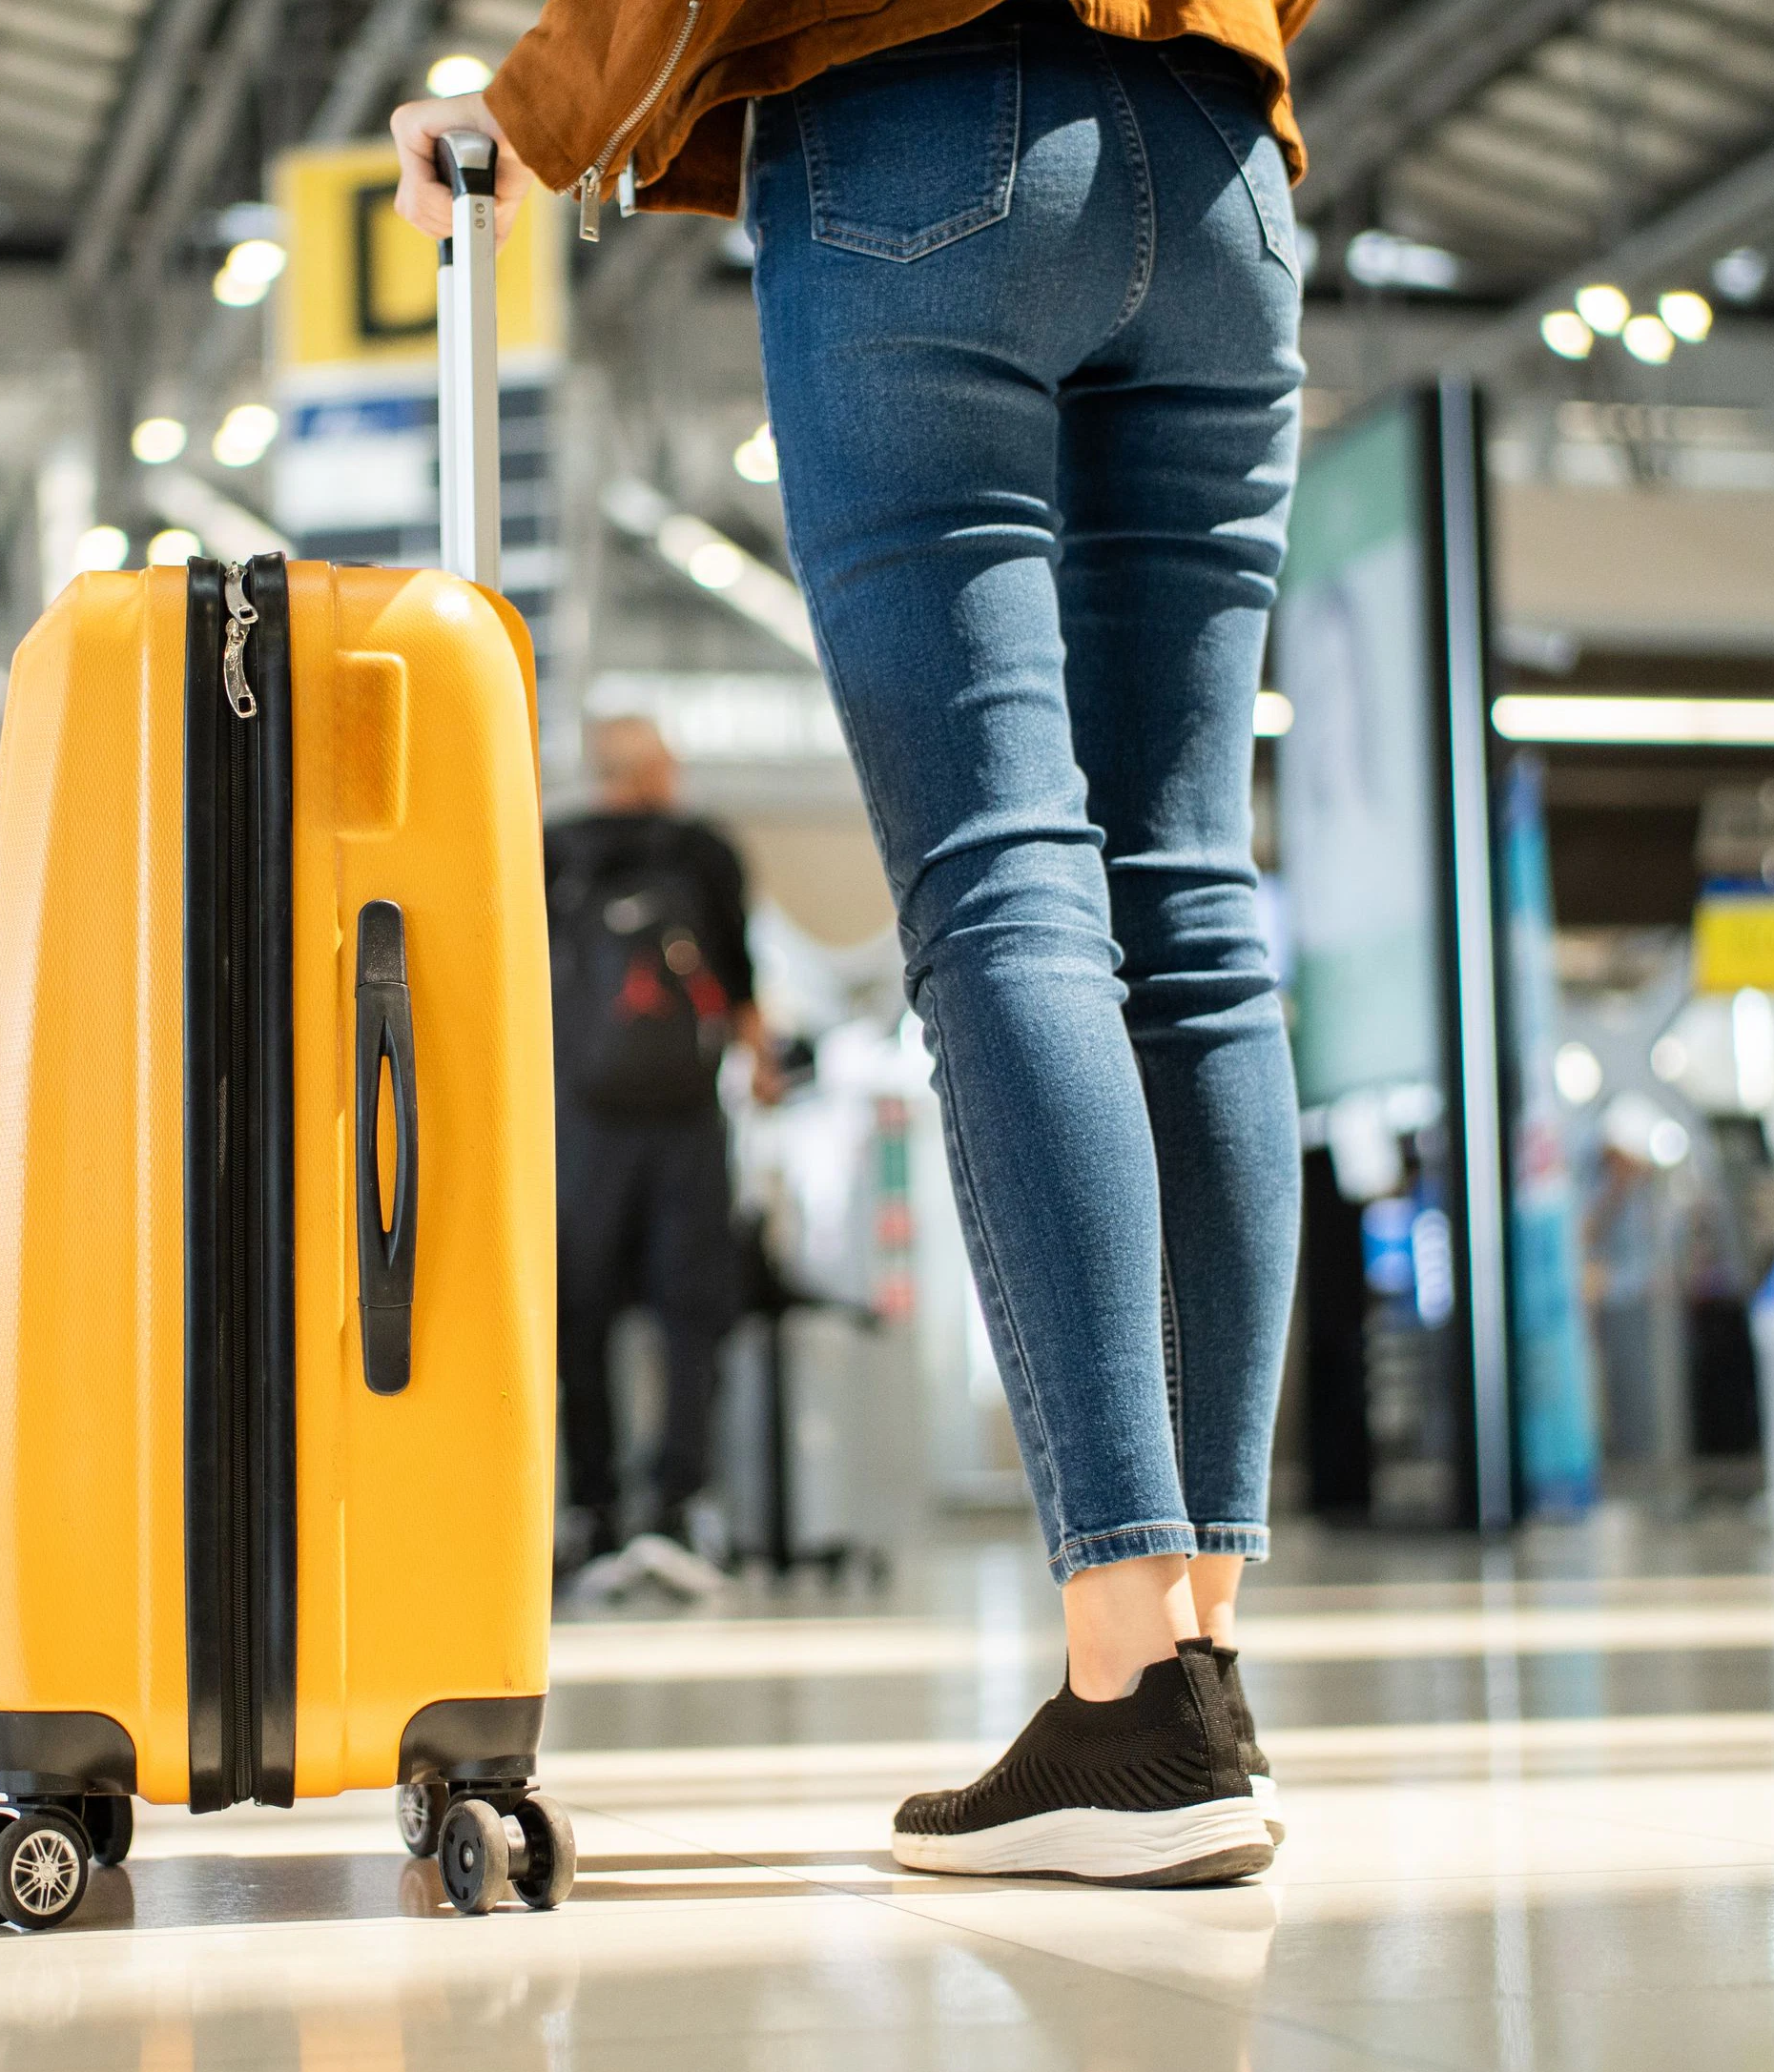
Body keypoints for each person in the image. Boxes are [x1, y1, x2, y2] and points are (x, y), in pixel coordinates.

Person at [411, 0, 1306, 1885]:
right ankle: (1201, 1661)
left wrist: (527, 111)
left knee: (1007, 886)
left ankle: (1129, 1687)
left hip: (927, 138)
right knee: (1194, 904)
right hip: (1223, 159)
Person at [543, 715, 780, 1580]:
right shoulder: (702, 849)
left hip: (582, 1122)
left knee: (581, 1314)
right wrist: (761, 1061)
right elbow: (742, 978)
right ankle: (680, 1507)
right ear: (651, 767)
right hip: (686, 1117)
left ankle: (593, 1511)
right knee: (692, 1313)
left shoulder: (553, 849)